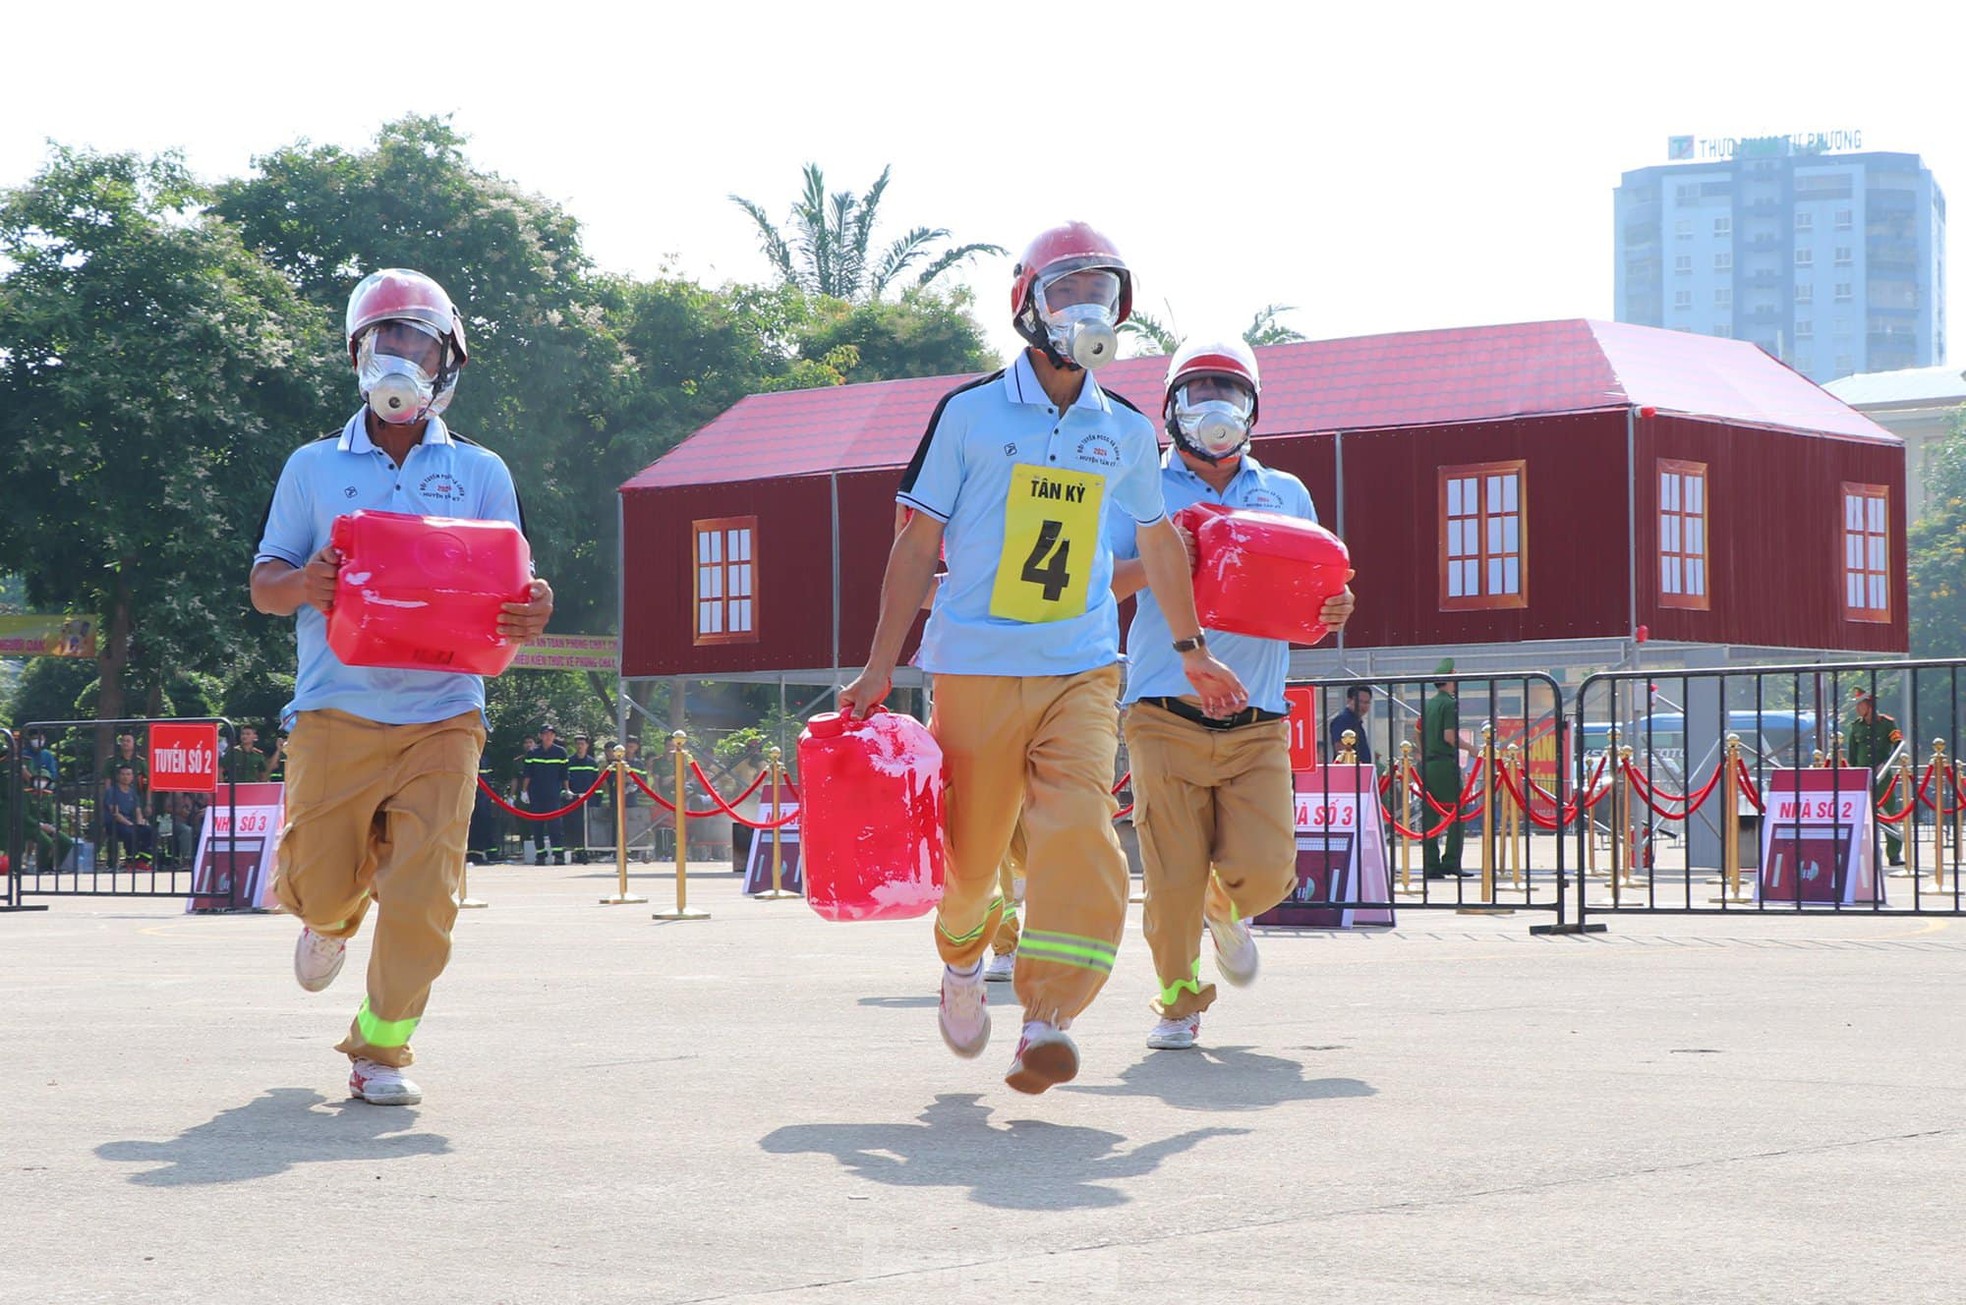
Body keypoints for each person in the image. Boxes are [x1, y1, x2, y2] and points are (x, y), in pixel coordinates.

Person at [837, 222, 1247, 1094]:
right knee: (972, 862)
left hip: (1081, 665)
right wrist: (880, 666)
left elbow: (1159, 541)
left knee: (1080, 831)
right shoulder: (969, 413)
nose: (1085, 307)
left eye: (1100, 289)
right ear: (1026, 303)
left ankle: (1048, 1018)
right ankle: (959, 955)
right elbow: (916, 546)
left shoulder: (1130, 432)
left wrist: (1191, 648)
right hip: (976, 664)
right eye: (1066, 290)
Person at [251, 267, 553, 1107]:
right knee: (317, 879)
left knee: (425, 897)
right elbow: (264, 581)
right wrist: (303, 583)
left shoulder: (484, 471)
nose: (401, 357)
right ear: (359, 355)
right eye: (386, 340)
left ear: (445, 362)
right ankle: (328, 916)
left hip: (443, 716)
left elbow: (513, 588)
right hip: (334, 708)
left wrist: (533, 611)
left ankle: (381, 1050)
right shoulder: (312, 467)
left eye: (417, 341)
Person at [1111, 338, 1354, 1051]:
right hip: (1163, 710)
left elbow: (1317, 591)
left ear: (1252, 407)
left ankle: (1229, 906)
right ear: (1170, 406)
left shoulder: (1287, 491)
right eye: (1197, 391)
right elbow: (1100, 584)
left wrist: (1335, 608)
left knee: (1273, 869)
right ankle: (1178, 1001)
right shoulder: (1138, 486)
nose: (1213, 405)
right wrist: (1159, 560)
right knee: (1171, 876)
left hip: (1259, 716)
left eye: (1228, 391)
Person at [1418, 660, 1469, 879]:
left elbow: (1417, 731)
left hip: (1427, 765)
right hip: (1444, 765)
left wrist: (1423, 753)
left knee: (1430, 815)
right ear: (1449, 679)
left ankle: (1431, 865)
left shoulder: (1429, 704)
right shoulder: (1449, 703)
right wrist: (1474, 749)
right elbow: (1450, 737)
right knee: (1458, 812)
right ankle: (1451, 861)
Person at [1845, 688, 1905, 866]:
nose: (1857, 708)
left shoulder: (1886, 723)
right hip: (1863, 777)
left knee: (1888, 812)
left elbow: (1898, 743)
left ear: (1869, 705)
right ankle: (1867, 853)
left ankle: (1894, 854)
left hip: (1883, 776)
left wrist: (1886, 763)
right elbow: (1853, 755)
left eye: (1860, 704)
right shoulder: (1856, 726)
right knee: (1864, 816)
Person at [522, 723, 571, 865]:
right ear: (540, 736)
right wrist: (524, 791)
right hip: (536, 793)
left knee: (555, 825)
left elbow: (564, 774)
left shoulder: (560, 752)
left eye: (551, 734)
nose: (548, 736)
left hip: (553, 794)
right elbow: (527, 774)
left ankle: (558, 854)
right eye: (545, 734)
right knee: (537, 825)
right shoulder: (532, 753)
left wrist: (567, 789)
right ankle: (540, 855)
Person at [102, 763, 154, 868]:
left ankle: (143, 860)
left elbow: (137, 810)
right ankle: (130, 861)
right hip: (115, 824)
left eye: (128, 774)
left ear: (132, 777)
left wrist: (140, 823)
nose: (125, 777)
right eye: (123, 774)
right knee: (129, 832)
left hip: (130, 823)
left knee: (148, 830)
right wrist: (130, 824)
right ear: (118, 776)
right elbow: (115, 813)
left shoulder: (132, 792)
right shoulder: (112, 792)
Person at [564, 732, 602, 863]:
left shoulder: (592, 763)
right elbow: (566, 780)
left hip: (589, 799)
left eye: (582, 744)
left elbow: (596, 782)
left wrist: (597, 800)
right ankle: (578, 851)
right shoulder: (569, 761)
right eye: (578, 744)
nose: (580, 746)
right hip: (573, 799)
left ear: (587, 745)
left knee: (587, 826)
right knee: (576, 825)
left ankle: (587, 850)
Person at [24, 774, 73, 872]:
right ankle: (42, 868)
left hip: (45, 826)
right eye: (38, 779)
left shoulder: (47, 796)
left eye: (43, 780)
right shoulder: (26, 795)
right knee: (46, 842)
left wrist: (53, 827)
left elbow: (50, 815)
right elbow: (25, 816)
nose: (41, 782)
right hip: (29, 826)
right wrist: (41, 825)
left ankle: (52, 866)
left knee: (66, 841)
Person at [1327, 683, 1375, 766]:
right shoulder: (1343, 720)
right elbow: (1340, 749)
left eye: (1367, 702)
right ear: (1349, 700)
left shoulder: (1357, 722)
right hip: (1349, 772)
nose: (1363, 706)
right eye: (1359, 701)